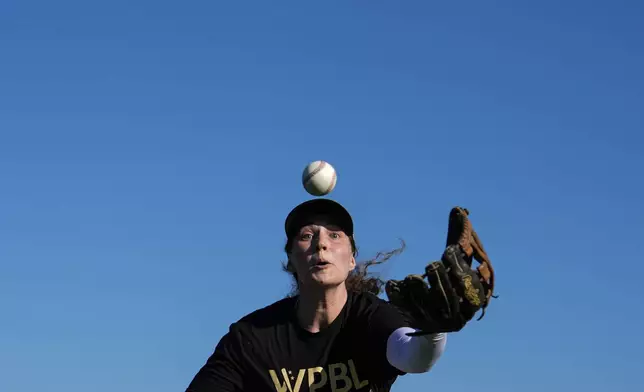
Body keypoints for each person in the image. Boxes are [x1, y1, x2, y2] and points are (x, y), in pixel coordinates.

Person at [186, 198, 447, 392]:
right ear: (290, 260)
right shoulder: (251, 337)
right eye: (307, 235)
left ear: (352, 259)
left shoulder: (372, 318)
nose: (321, 243)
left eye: (335, 235)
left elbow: (415, 356)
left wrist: (435, 327)